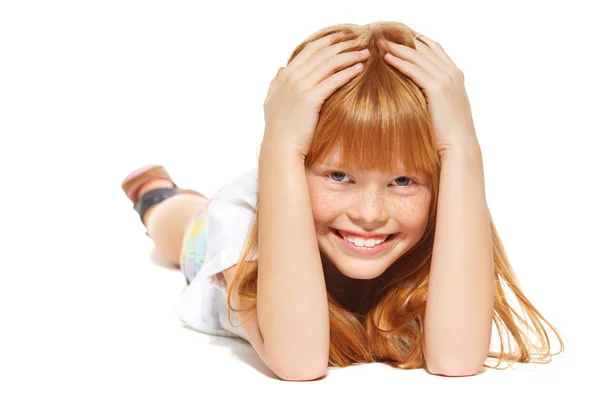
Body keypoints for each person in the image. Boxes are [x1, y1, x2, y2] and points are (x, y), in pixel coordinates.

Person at [121, 21, 565, 381]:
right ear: (293, 164)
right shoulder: (239, 222)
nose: (369, 214)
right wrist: (277, 144)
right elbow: (299, 362)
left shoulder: (447, 218)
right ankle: (158, 194)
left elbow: (456, 359)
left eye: (404, 180)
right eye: (338, 175)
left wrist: (463, 145)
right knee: (179, 226)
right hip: (219, 226)